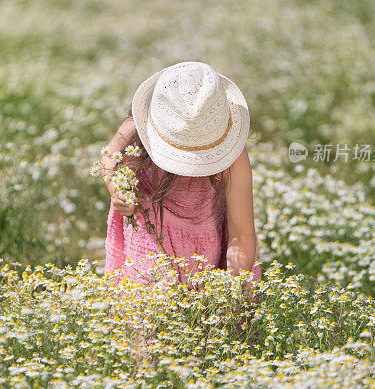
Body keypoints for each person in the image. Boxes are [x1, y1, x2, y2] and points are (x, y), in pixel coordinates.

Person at [100, 60, 262, 288]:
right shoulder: (137, 128)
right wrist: (117, 189)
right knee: (147, 313)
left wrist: (230, 287)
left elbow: (242, 234)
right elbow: (108, 156)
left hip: (205, 251)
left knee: (201, 319)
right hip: (147, 238)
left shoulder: (233, 156)